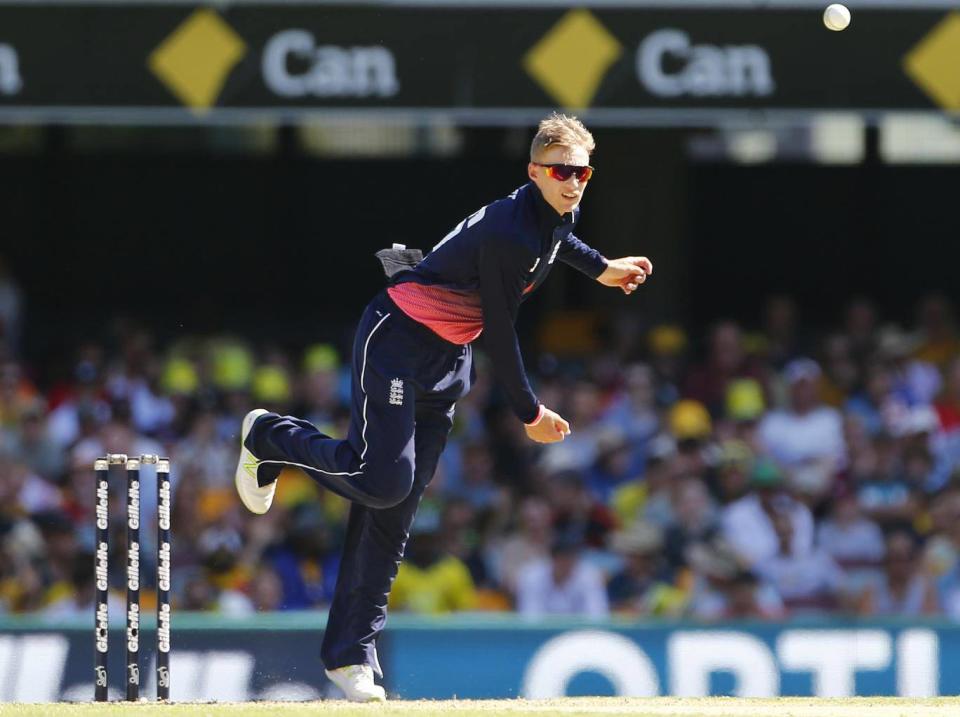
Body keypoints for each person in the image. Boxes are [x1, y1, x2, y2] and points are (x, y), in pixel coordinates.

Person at [233, 113, 652, 702]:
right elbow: (503, 332)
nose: (575, 181)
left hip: (447, 360)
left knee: (396, 510)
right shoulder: (511, 232)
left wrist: (603, 268)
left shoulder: (556, 212)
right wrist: (529, 411)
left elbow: (561, 241)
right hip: (399, 339)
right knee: (381, 481)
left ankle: (350, 653)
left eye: (583, 171)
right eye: (562, 171)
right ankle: (270, 438)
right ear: (534, 171)